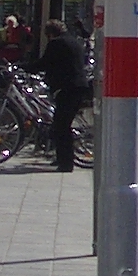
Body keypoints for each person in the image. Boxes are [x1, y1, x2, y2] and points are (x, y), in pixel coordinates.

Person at [39, 19, 88, 172]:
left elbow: (44, 63)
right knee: (61, 124)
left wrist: (23, 67)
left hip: (67, 88)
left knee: (62, 126)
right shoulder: (74, 41)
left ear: (50, 33)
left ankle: (66, 163)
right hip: (78, 86)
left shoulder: (56, 43)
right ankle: (61, 158)